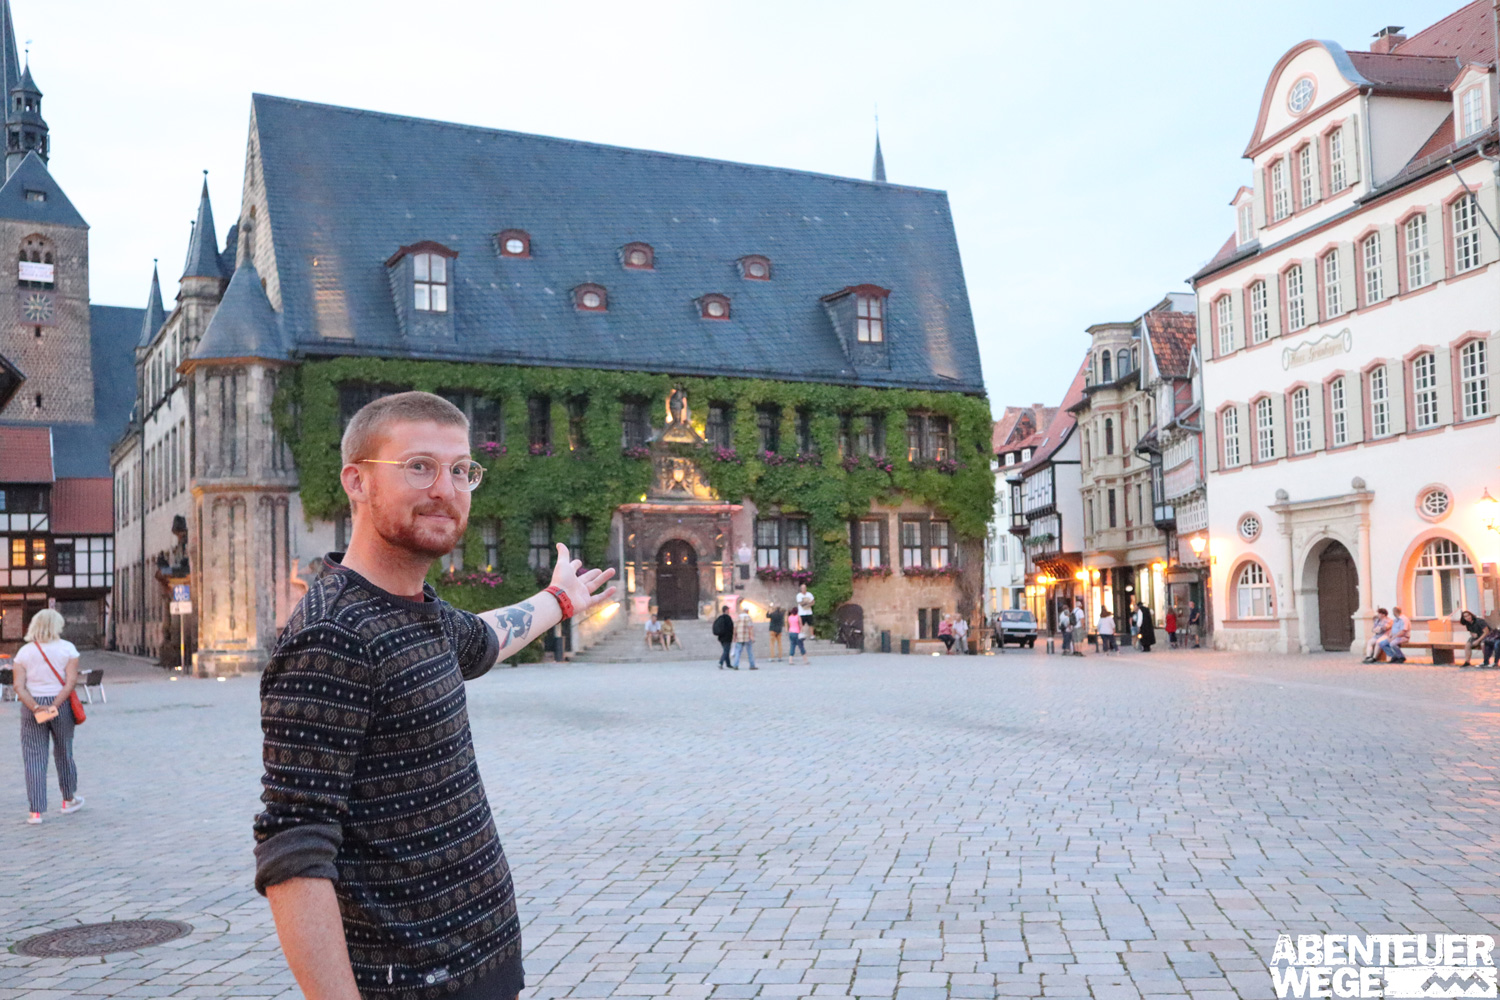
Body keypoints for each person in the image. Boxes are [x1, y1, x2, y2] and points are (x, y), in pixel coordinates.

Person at [253, 391, 616, 1000]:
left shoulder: (422, 613)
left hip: (482, 958)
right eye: (419, 466)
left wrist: (558, 601)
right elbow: (295, 849)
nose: (445, 488)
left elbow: (485, 639)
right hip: (413, 980)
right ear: (358, 481)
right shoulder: (332, 634)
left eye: (460, 470)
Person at [12, 609, 84, 825]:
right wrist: (54, 705)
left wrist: (36, 707)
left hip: (32, 705)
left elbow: (18, 686)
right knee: (64, 752)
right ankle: (68, 799)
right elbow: (70, 681)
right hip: (60, 705)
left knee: (34, 756)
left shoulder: (24, 652)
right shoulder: (68, 649)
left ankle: (36, 811)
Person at [732, 606, 758, 670]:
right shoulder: (748, 618)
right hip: (747, 637)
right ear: (747, 611)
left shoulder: (738, 618)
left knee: (737, 651)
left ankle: (735, 665)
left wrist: (734, 636)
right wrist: (752, 637)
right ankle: (752, 665)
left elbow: (734, 628)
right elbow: (750, 628)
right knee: (749, 651)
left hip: (739, 637)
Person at [713, 605, 736, 669]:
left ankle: (728, 664)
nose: (729, 611)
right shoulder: (728, 618)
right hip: (727, 637)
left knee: (726, 650)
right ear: (726, 610)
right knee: (726, 650)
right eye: (728, 610)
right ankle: (720, 663)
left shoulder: (720, 618)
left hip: (721, 637)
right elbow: (730, 628)